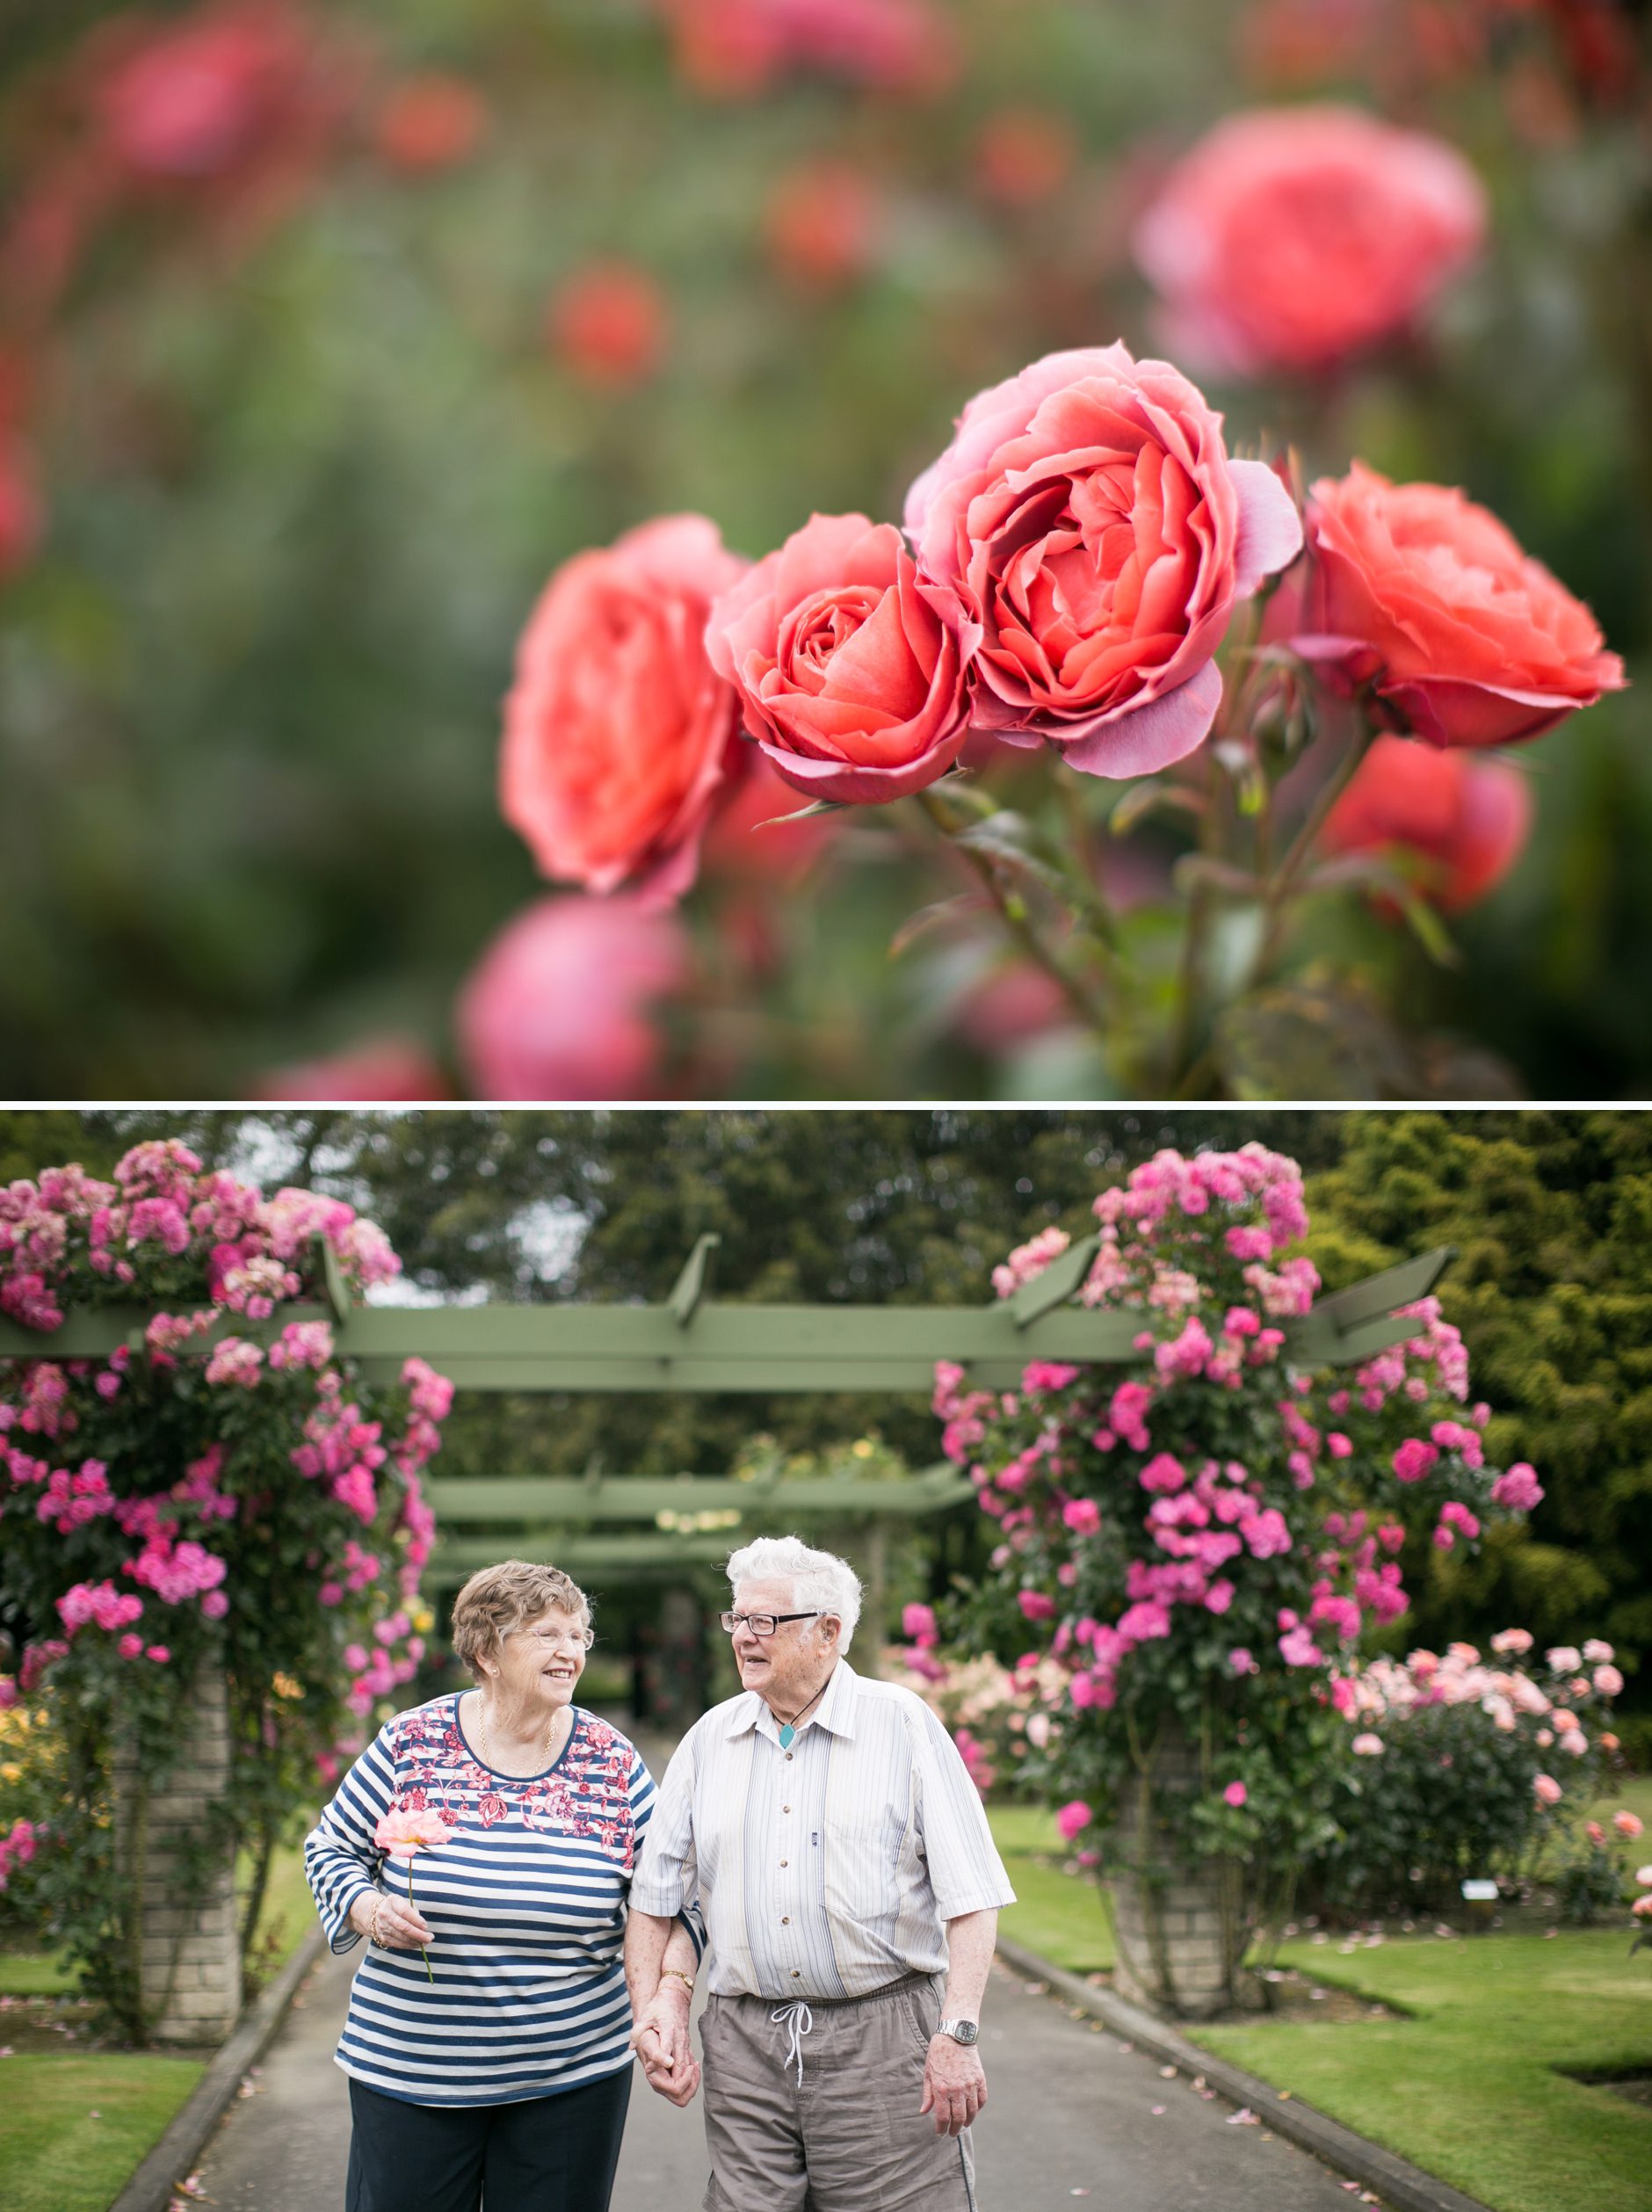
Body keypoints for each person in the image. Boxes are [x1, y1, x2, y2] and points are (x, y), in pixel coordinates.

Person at [625, 1534, 1016, 2211]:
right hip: (744, 2042)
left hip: (885, 2040)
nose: (744, 1636)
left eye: (765, 1621)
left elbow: (973, 1896)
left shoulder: (903, 1725)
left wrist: (957, 2031)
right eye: (737, 1619)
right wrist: (658, 2005)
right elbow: (659, 1901)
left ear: (829, 1631)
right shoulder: (708, 1740)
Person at [304, 1559, 702, 2212]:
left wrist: (668, 1996)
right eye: (547, 1634)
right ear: (487, 1651)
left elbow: (677, 1896)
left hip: (571, 2079)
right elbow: (331, 1848)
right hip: (411, 2076)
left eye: (579, 1635)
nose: (570, 1651)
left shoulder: (612, 1760)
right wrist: (367, 1906)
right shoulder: (412, 1742)